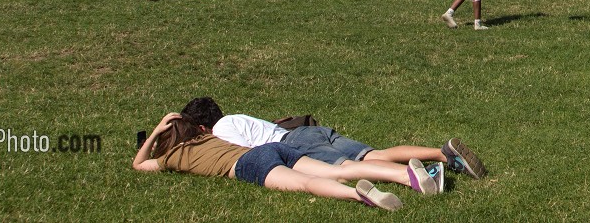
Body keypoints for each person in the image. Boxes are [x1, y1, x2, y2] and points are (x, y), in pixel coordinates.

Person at [131, 111, 417, 209]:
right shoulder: (210, 136)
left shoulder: (172, 157)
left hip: (249, 164)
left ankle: (356, 194)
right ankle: (405, 175)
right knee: (340, 168)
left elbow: (138, 165)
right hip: (269, 148)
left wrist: (157, 132)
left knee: (307, 183)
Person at [179, 97, 486, 180]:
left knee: (353, 167)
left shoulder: (220, 132)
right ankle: (442, 153)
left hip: (293, 146)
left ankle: (422, 175)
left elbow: (246, 155)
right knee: (372, 153)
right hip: (304, 131)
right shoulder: (237, 117)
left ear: (203, 128)